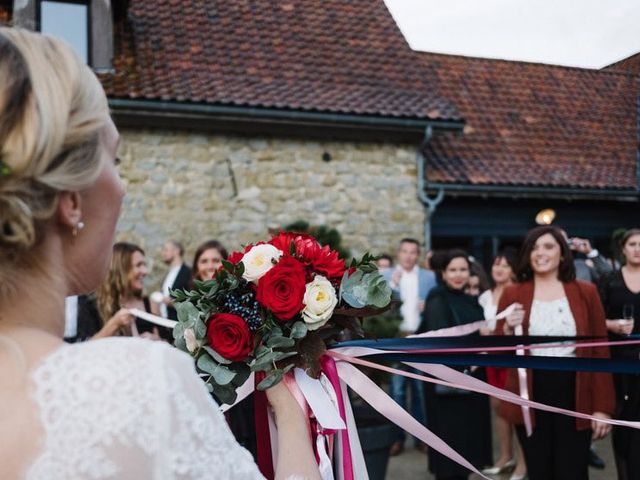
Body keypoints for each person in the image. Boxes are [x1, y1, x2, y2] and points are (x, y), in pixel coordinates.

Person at [0, 27, 319, 480]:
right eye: (116, 162)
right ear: (71, 200)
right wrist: (290, 417)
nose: (123, 187)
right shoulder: (136, 386)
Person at [495, 226, 614, 480]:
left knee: (573, 470)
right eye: (534, 248)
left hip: (575, 390)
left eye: (548, 246)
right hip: (530, 391)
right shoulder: (513, 293)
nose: (540, 253)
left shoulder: (585, 292)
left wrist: (602, 407)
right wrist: (506, 327)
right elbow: (499, 348)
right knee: (539, 469)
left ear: (562, 254)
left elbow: (600, 349)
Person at [417, 249, 493, 480]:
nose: (458, 275)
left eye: (462, 269)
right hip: (449, 383)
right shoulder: (437, 298)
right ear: (443, 272)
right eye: (453, 270)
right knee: (450, 450)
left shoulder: (472, 301)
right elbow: (442, 342)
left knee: (468, 448)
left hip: (473, 381)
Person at [383, 238, 437, 455]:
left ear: (418, 255)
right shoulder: (386, 276)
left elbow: (436, 306)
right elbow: (378, 310)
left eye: (413, 252)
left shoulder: (429, 277)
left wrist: (428, 308)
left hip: (420, 339)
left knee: (420, 392)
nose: (408, 256)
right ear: (398, 253)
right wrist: (392, 286)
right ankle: (397, 438)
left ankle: (421, 438)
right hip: (397, 339)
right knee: (396, 392)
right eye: (404, 251)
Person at [478, 249, 527, 480]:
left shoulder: (519, 294)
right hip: (490, 357)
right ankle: (505, 456)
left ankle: (523, 462)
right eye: (496, 264)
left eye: (505, 265)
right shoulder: (485, 296)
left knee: (516, 409)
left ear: (514, 270)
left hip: (512, 358)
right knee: (498, 408)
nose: (498, 269)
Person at [599, 228, 640, 480]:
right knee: (623, 423)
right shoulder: (609, 279)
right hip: (619, 363)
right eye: (633, 244)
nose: (638, 249)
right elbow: (594, 318)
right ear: (623, 249)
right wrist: (612, 325)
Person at [95, 242, 170, 341]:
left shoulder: (150, 304)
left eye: (144, 265)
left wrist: (157, 341)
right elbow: (84, 348)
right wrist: (114, 324)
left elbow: (168, 343)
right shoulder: (95, 304)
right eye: (139, 265)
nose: (145, 271)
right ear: (121, 269)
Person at [160, 240, 192, 320]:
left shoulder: (188, 272)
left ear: (177, 251)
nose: (163, 254)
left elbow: (192, 300)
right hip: (164, 322)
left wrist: (174, 303)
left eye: (166, 250)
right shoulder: (168, 273)